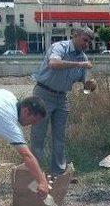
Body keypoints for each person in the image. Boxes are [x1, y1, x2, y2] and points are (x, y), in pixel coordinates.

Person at [31, 26, 95, 175]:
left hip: (62, 98)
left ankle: (58, 173)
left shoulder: (83, 58)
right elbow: (53, 64)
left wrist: (92, 84)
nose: (86, 44)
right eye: (85, 40)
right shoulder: (60, 47)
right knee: (38, 136)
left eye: (89, 42)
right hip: (43, 94)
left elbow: (86, 83)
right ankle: (34, 174)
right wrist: (79, 64)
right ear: (75, 35)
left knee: (59, 137)